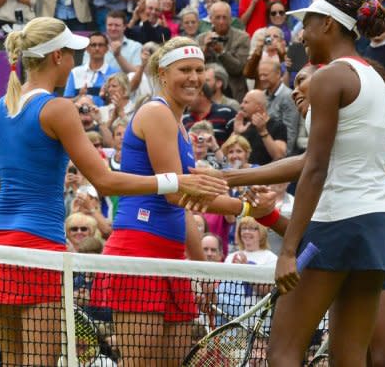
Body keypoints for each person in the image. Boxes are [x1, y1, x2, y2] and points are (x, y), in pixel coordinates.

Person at [0, 18, 227, 367]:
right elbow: (105, 181)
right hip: (38, 248)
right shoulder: (58, 109)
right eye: (73, 55)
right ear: (57, 57)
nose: (76, 63)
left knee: (13, 361)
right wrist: (174, 182)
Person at [196, 0, 385, 366]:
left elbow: (315, 167)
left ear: (328, 24)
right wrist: (227, 177)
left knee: (282, 351)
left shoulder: (331, 77)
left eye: (307, 24)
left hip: (338, 223)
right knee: (349, 358)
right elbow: (313, 160)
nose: (301, 34)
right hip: (378, 226)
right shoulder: (375, 78)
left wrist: (290, 250)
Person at [89, 36, 270, 366]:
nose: (194, 77)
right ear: (162, 73)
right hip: (140, 253)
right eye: (184, 69)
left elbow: (185, 205)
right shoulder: (157, 114)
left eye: (199, 70)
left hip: (171, 257)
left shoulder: (180, 126)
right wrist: (245, 207)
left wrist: (201, 268)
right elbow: (177, 192)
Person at [64, 32, 120, 106]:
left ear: (106, 49)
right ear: (87, 49)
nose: (97, 48)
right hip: (80, 115)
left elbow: (119, 101)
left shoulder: (116, 74)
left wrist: (105, 97)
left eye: (100, 45)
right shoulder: (75, 72)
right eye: (93, 45)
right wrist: (79, 97)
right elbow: (66, 102)